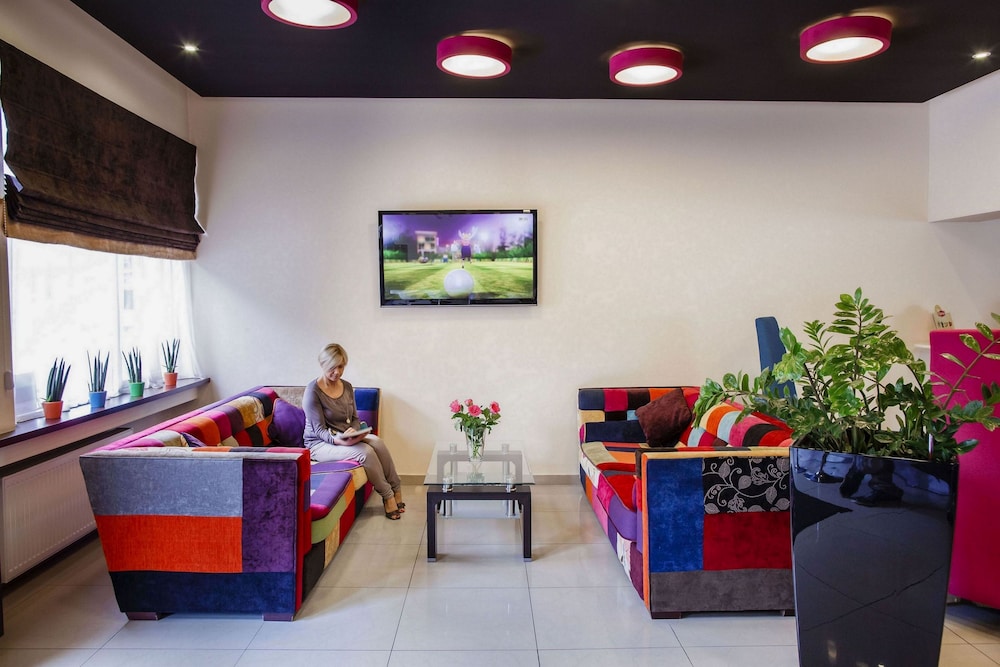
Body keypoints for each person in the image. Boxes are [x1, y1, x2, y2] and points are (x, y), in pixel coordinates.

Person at [303, 344, 405, 520]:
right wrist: (338, 440)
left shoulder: (347, 387)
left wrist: (355, 431)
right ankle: (388, 496)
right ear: (322, 364)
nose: (337, 372)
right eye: (332, 367)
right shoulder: (313, 391)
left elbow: (355, 418)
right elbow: (319, 430)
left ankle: (397, 488)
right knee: (365, 453)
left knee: (378, 442)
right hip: (320, 443)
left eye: (341, 366)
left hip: (345, 437)